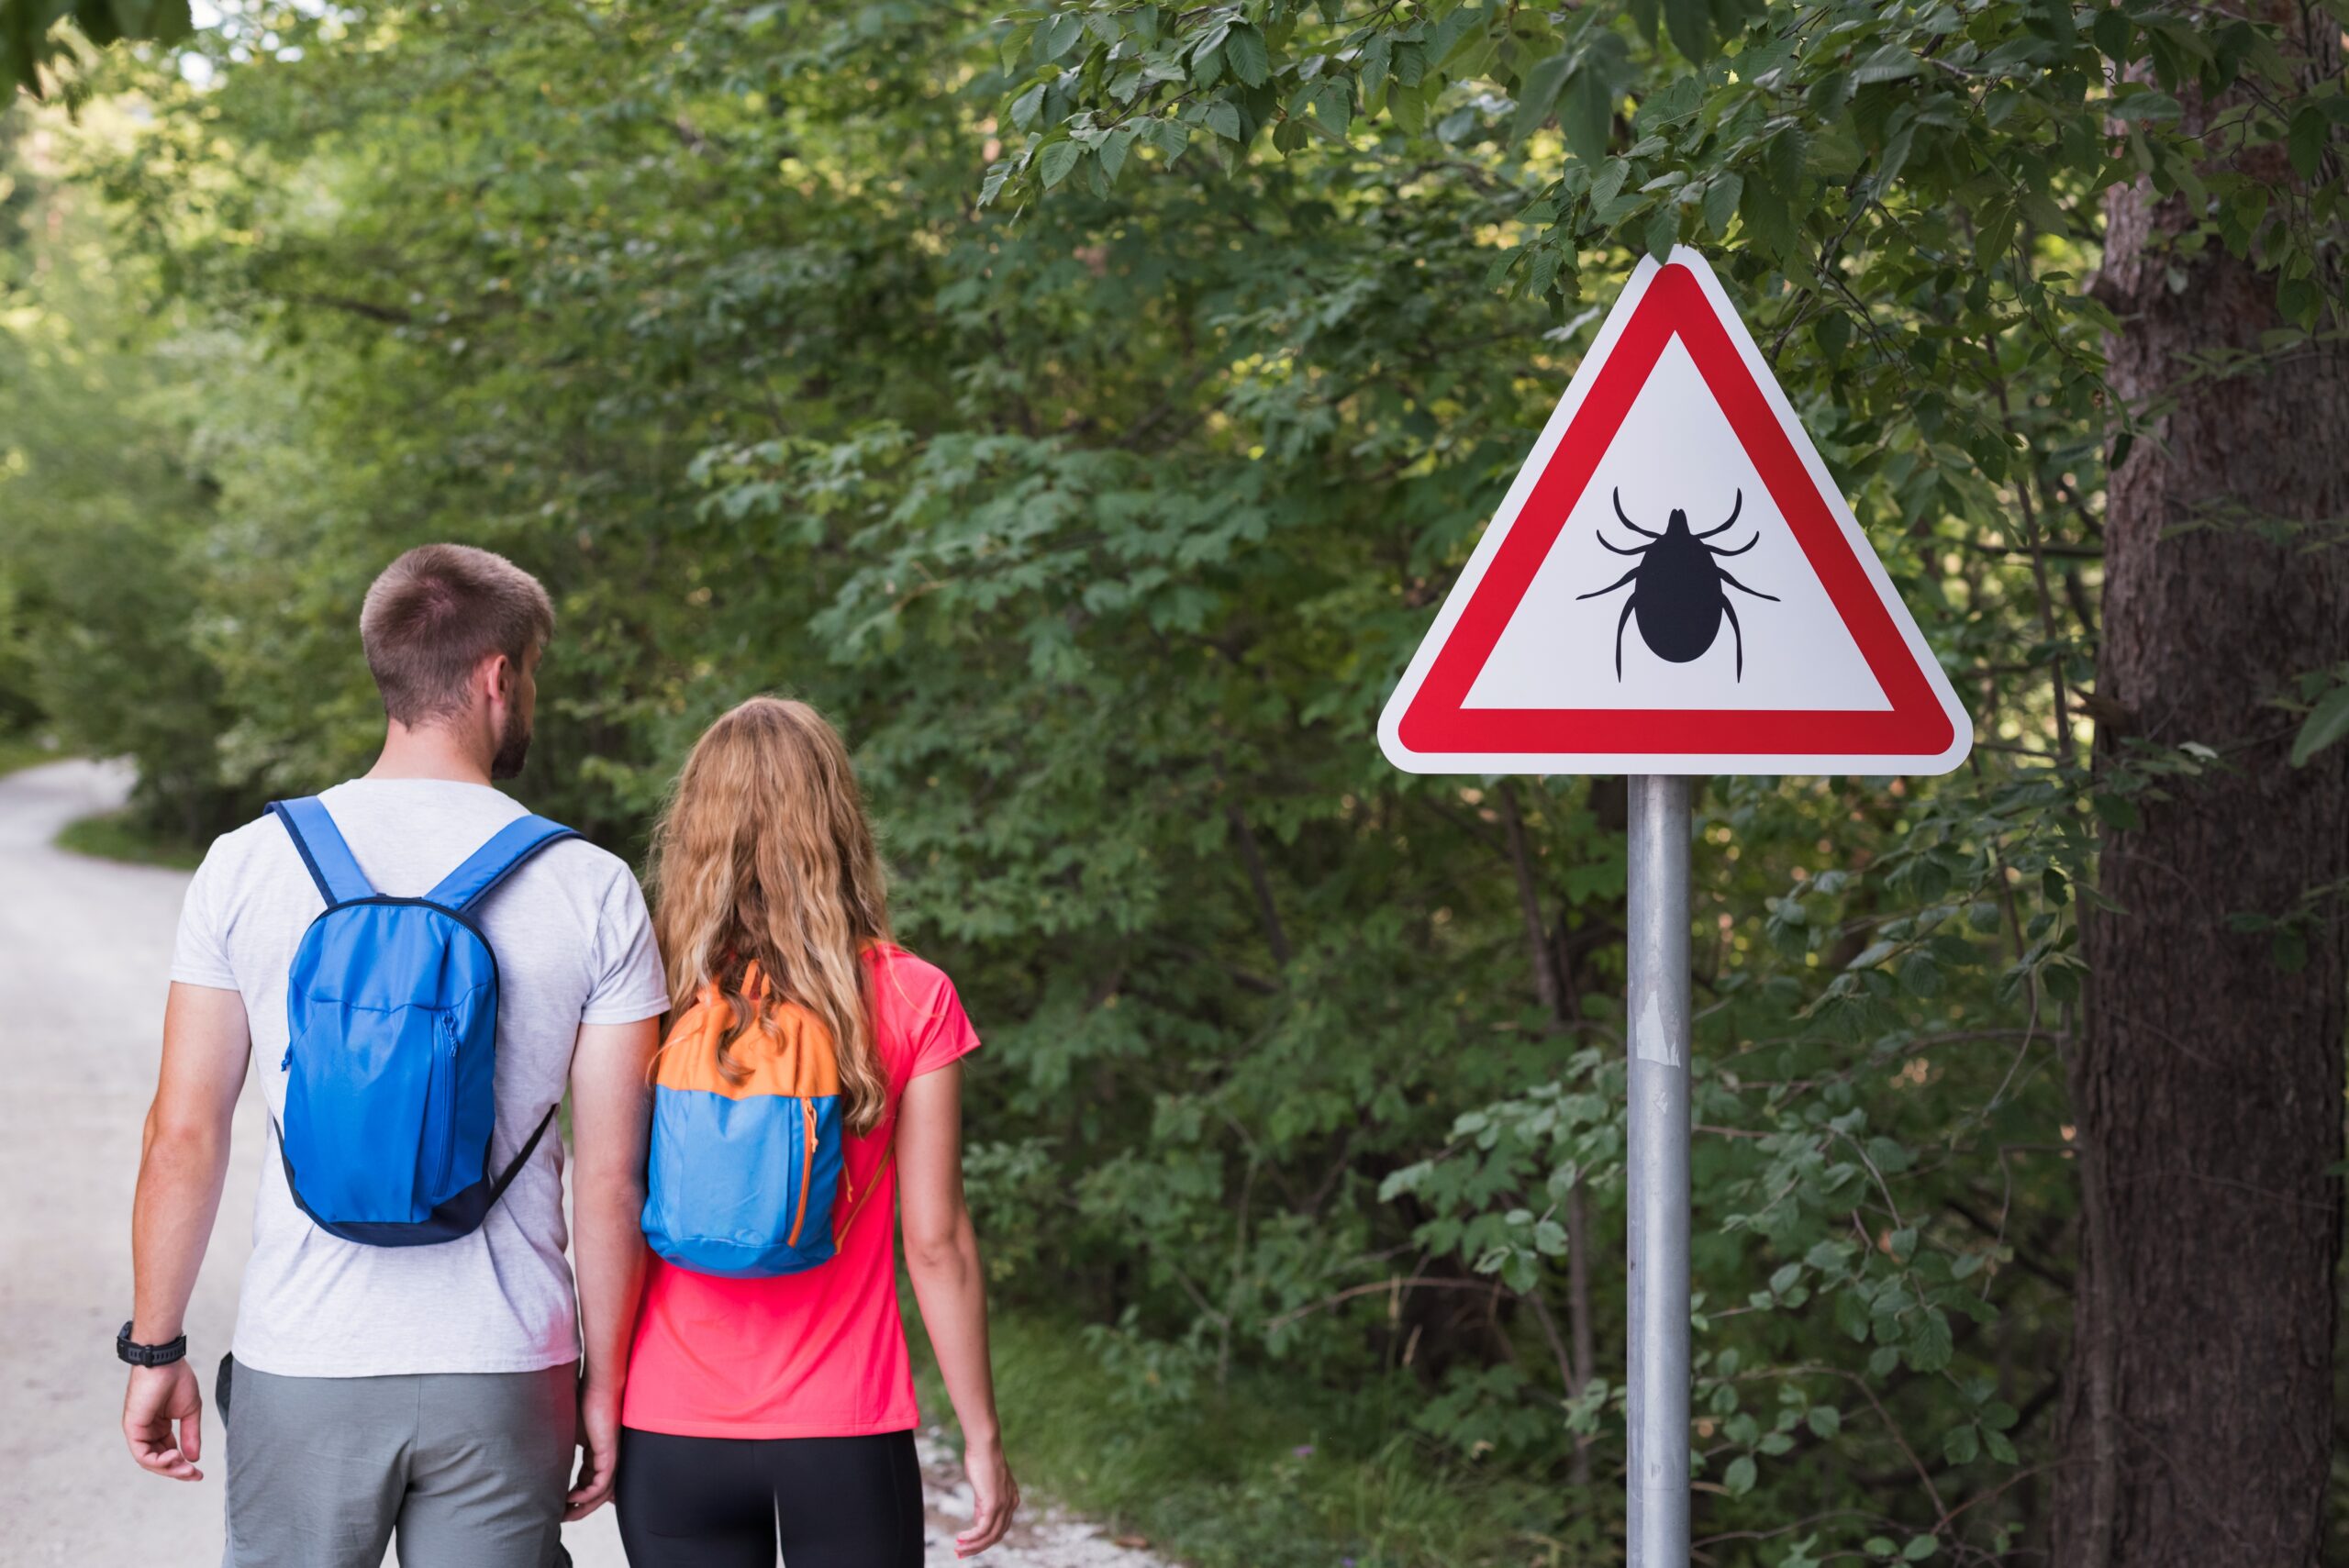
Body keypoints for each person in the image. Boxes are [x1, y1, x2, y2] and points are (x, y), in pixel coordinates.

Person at [121, 543, 670, 1566]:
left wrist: (157, 1343)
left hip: (305, 1353)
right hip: (507, 1365)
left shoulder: (249, 862)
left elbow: (183, 1132)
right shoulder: (589, 884)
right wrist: (607, 1381)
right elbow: (608, 1173)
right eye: (531, 673)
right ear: (497, 676)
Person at [615, 695, 1019, 1566]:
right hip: (844, 1426)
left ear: (694, 828)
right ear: (838, 822)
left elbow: (609, 1199)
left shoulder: (650, 994)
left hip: (669, 1425)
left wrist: (594, 1397)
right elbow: (937, 1242)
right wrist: (982, 1436)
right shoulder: (912, 995)